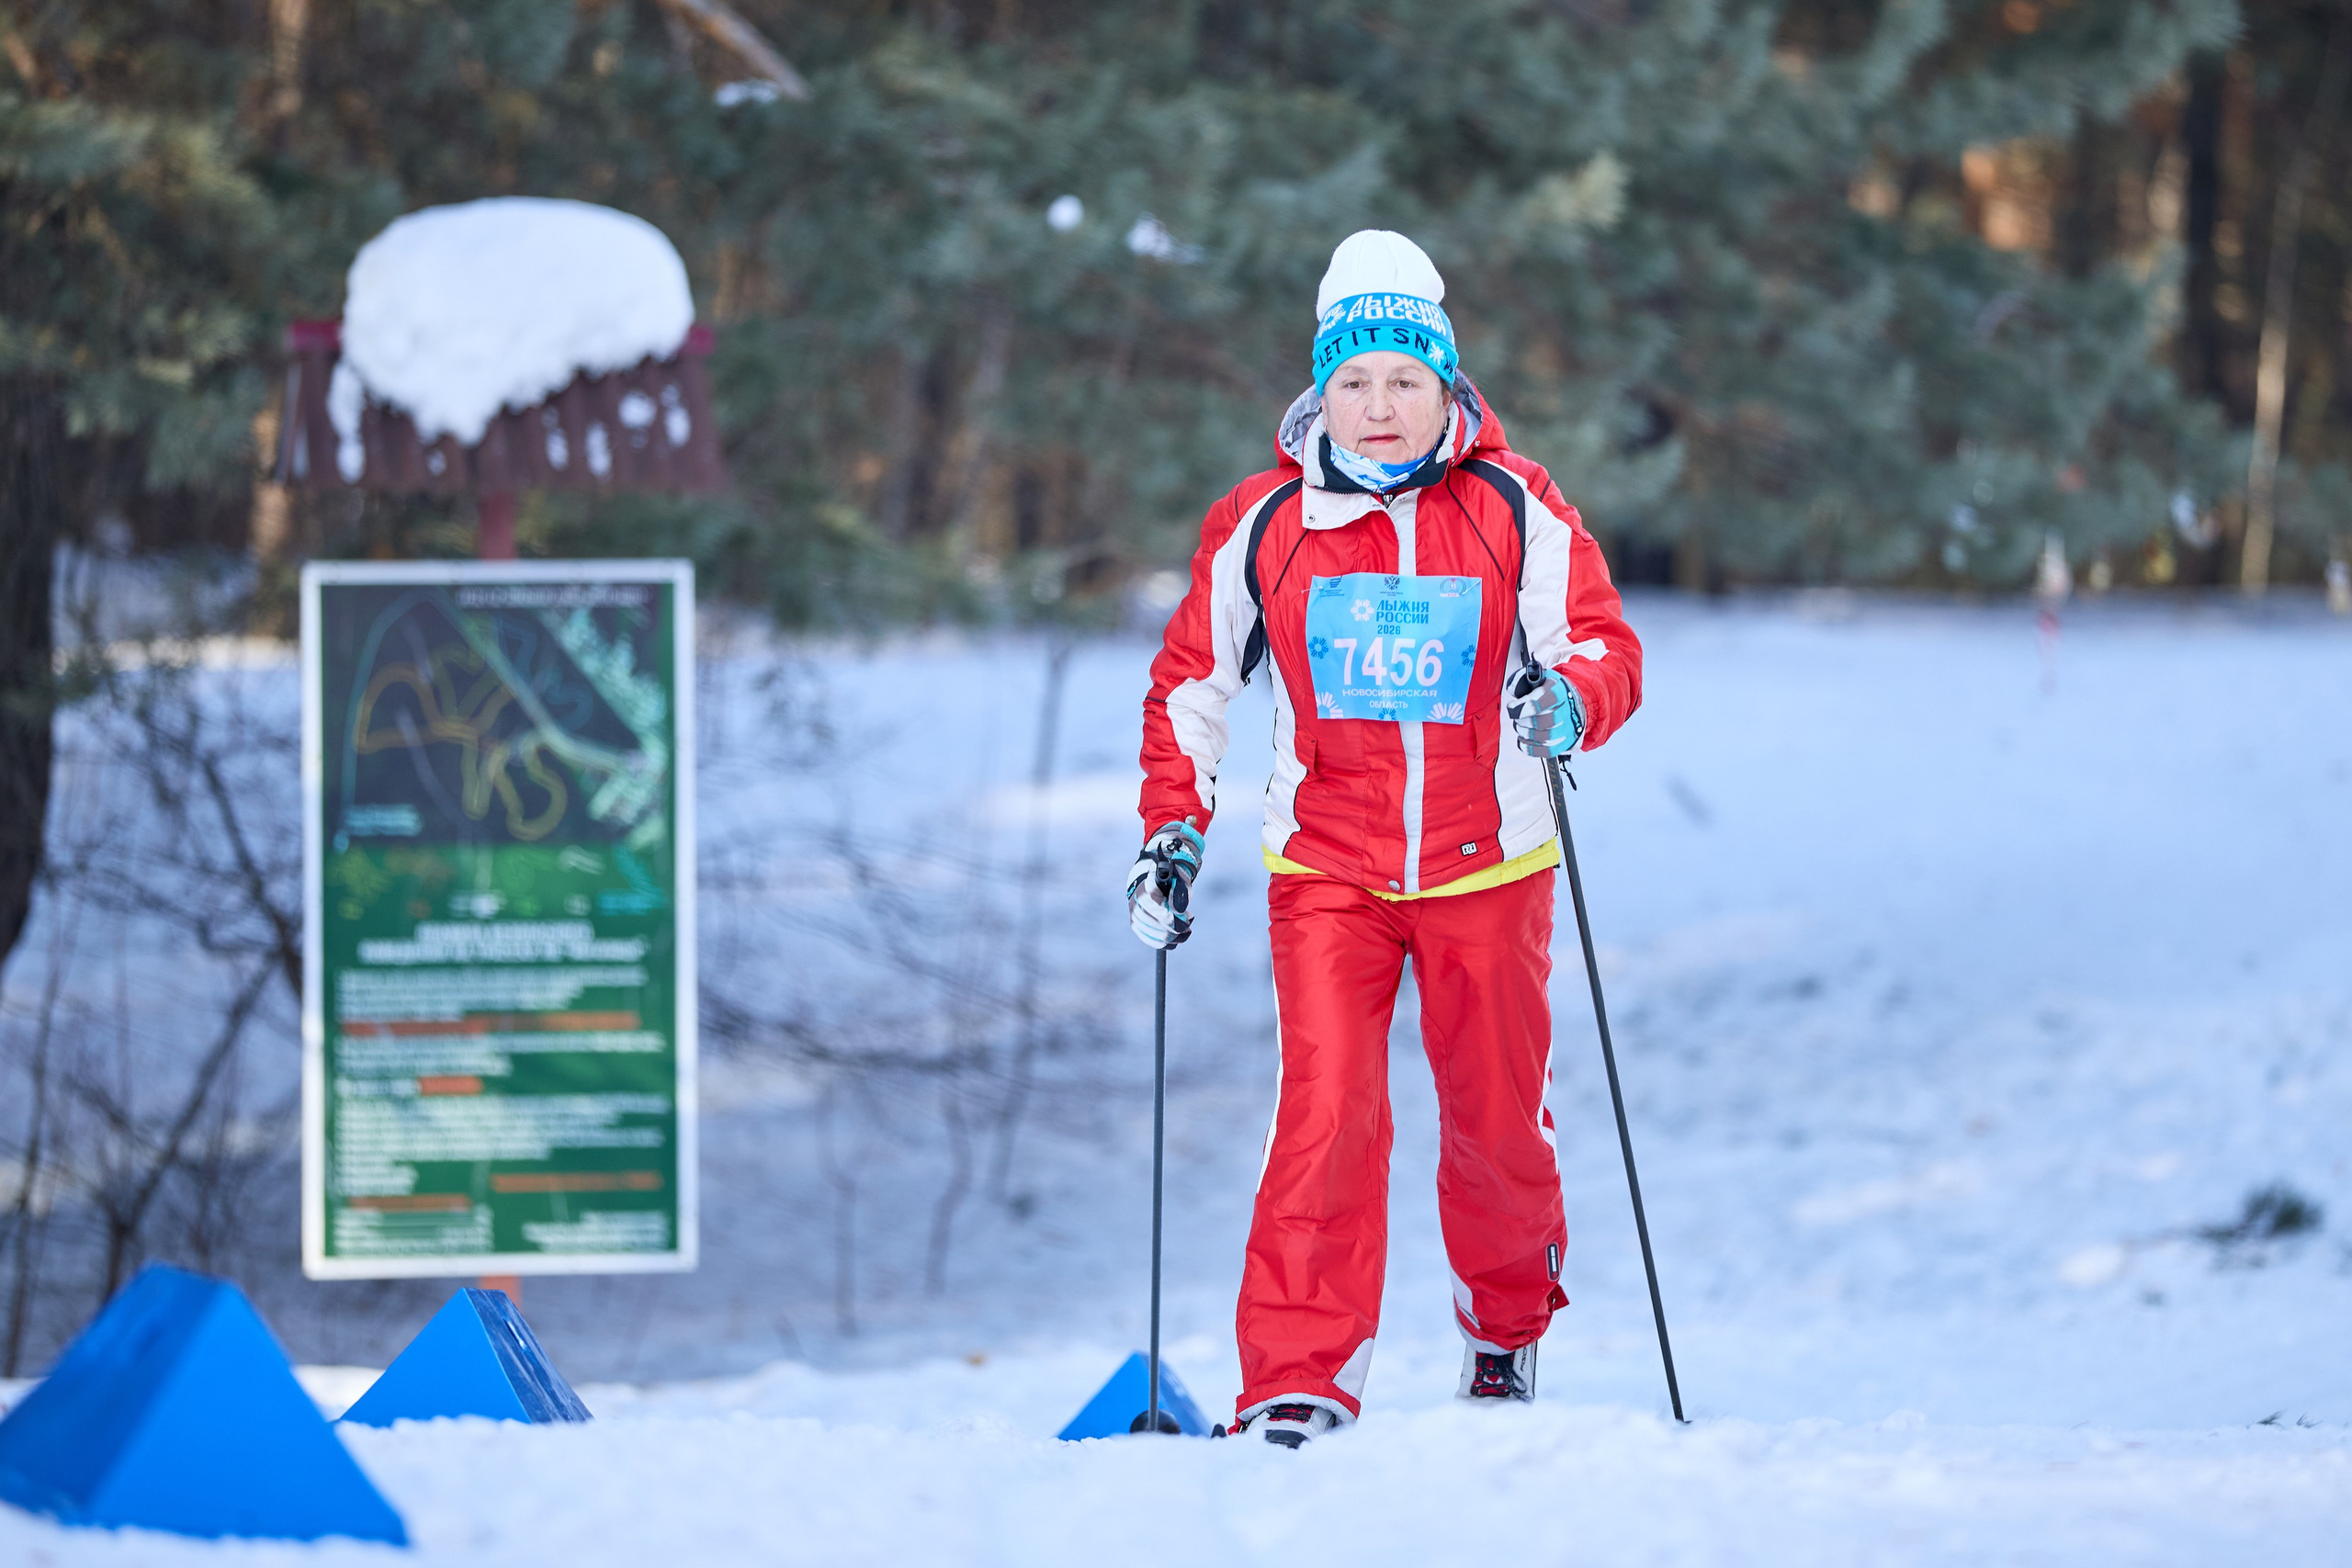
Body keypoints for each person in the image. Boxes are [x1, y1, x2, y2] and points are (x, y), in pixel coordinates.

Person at [1128, 230, 1643, 1448]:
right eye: (1355, 382)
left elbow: (1605, 648)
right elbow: (1192, 685)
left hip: (1491, 868)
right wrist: (1171, 832)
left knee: (1498, 1123)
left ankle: (1505, 1333)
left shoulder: (1515, 508)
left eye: (1405, 380)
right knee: (1326, 1111)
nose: (1379, 407)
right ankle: (1297, 1377)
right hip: (1330, 873)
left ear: (1447, 387)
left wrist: (1568, 702)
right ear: (1321, 390)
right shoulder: (1264, 525)